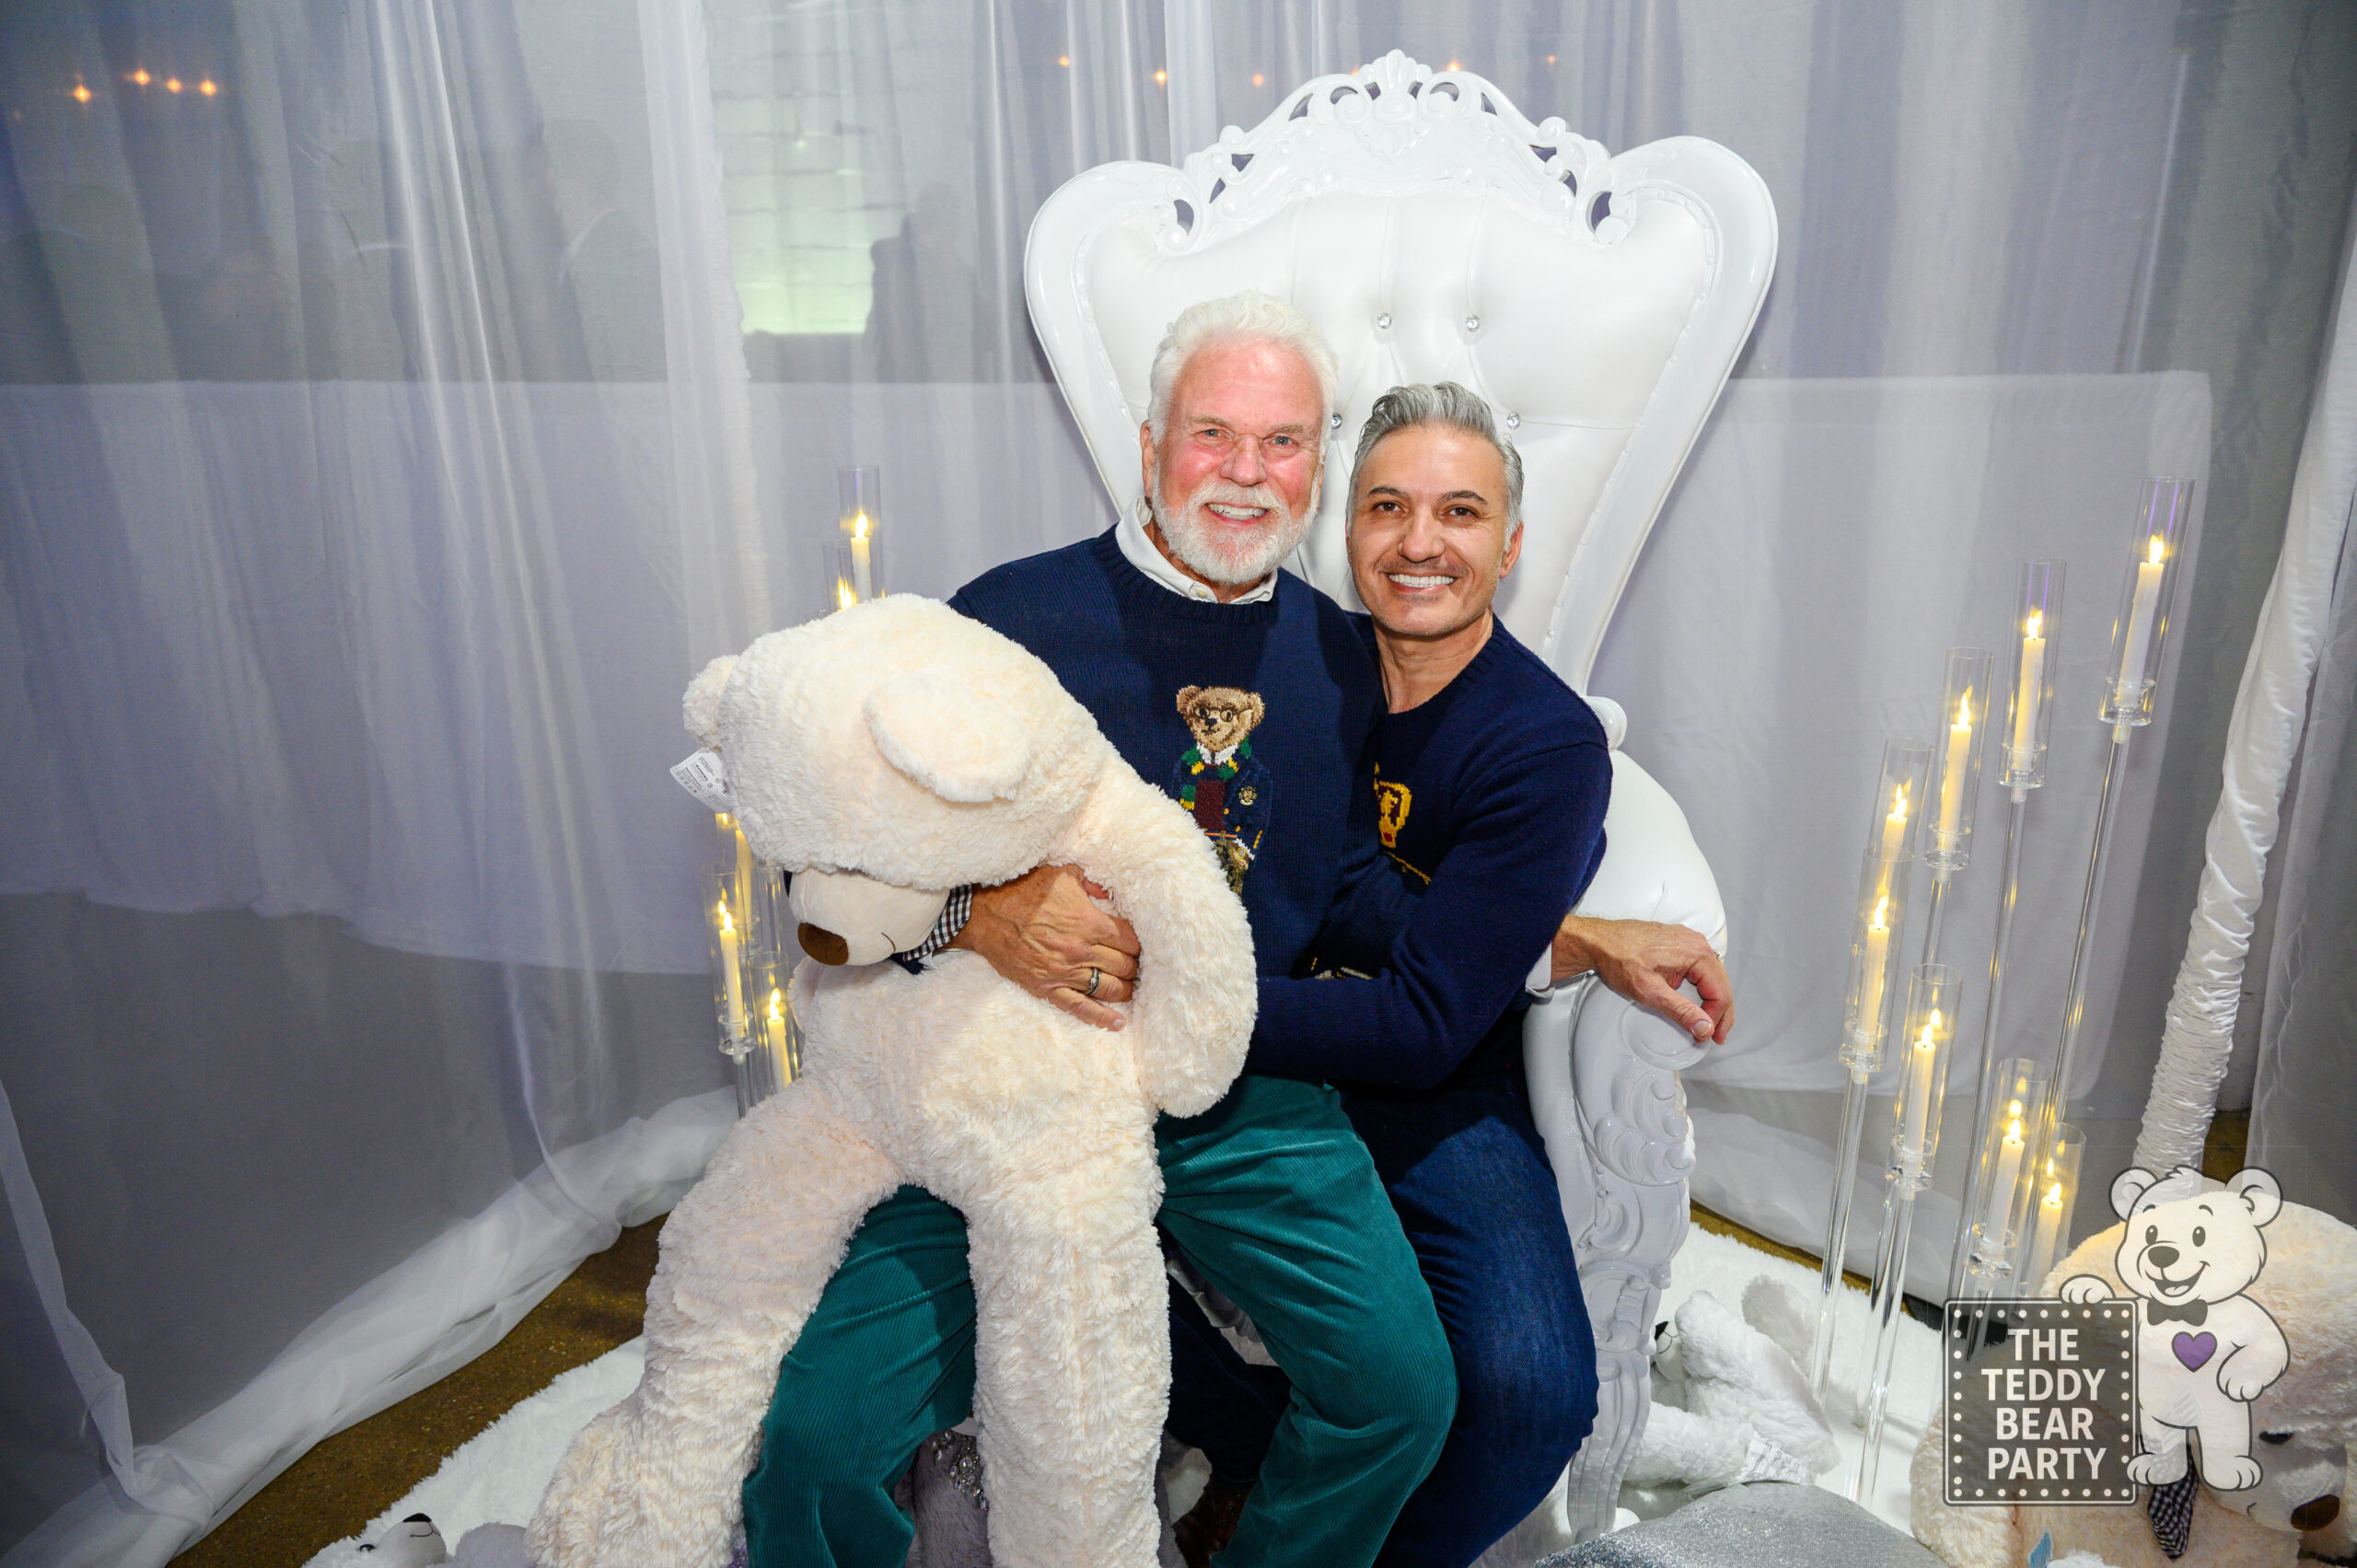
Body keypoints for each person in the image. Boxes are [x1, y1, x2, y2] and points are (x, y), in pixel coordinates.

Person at [738, 291, 1458, 1568]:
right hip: (1003, 1084)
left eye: (1284, 442)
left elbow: (1345, 876)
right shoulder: (1005, 618)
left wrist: (1565, 938)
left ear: (1318, 464)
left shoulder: (1340, 656)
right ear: (1149, 444)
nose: (1246, 471)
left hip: (1241, 1090)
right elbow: (823, 846)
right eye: (1212, 433)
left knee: (1402, 1395)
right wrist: (975, 913)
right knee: (812, 1444)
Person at [1164, 381, 1701, 1568]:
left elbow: (1423, 1023)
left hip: (1431, 1079)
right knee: (1051, 1211)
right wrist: (1566, 939)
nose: (1419, 544)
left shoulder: (1542, 743)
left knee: (1534, 1392)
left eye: (1460, 512)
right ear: (1344, 524)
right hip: (1252, 1058)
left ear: (1509, 545)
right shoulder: (1288, 663)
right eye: (1387, 507)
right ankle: (1258, 1450)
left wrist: (1180, 1007)